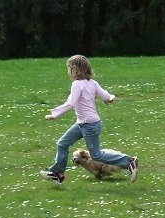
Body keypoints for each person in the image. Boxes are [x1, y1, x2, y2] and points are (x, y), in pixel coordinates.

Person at [39, 55, 138, 185]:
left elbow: (71, 103)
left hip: (89, 125)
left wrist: (54, 114)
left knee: (96, 155)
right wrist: (110, 98)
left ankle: (128, 162)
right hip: (83, 123)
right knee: (62, 143)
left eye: (69, 69)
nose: (68, 72)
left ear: (75, 70)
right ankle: (58, 173)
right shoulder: (92, 83)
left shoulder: (77, 84)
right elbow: (105, 96)